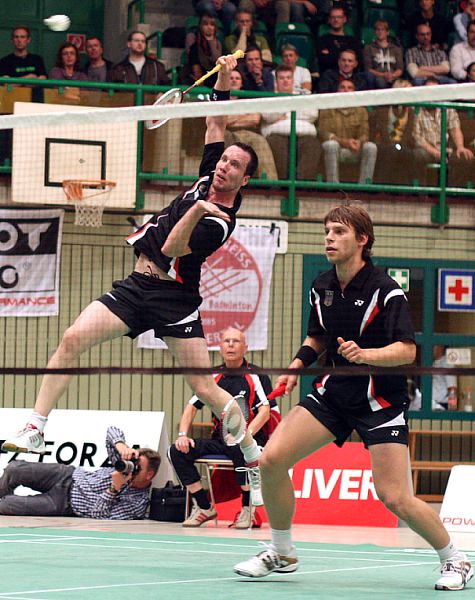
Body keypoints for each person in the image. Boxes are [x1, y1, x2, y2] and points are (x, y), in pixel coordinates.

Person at [2, 54, 264, 508]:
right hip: (136, 286)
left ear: (244, 180)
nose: (223, 165)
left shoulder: (220, 222)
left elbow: (174, 250)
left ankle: (249, 451)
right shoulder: (207, 176)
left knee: (204, 387)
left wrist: (200, 210)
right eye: (224, 160)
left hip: (174, 298)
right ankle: (36, 425)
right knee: (71, 338)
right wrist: (223, 75)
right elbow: (215, 121)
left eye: (234, 166)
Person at [233, 203, 474, 592]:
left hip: (380, 400)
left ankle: (456, 559)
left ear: (362, 239)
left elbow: (408, 351)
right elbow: (318, 337)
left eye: (339, 232)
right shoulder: (322, 285)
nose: (329, 237)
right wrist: (296, 366)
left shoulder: (385, 290)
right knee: (272, 459)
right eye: (327, 230)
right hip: (333, 394)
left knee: (393, 496)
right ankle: (282, 551)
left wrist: (367, 356)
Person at [169, 327, 274, 529]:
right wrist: (183, 435)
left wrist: (246, 436)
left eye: (236, 341)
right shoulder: (212, 378)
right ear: (220, 348)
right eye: (226, 341)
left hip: (248, 440)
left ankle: (247, 510)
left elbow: (265, 411)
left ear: (246, 348)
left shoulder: (256, 376)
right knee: (176, 451)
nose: (231, 345)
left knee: (239, 449)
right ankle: (204, 506)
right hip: (219, 440)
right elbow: (192, 406)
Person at [0, 426, 160, 519]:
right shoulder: (124, 464)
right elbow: (112, 430)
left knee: (6, 505)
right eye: (133, 462)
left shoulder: (138, 503)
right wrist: (122, 447)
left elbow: (98, 514)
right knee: (14, 469)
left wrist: (114, 488)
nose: (131, 467)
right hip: (67, 476)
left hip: (64, 504)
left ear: (149, 475)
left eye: (138, 467)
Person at [261, 64, 321, 180]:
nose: (285, 81)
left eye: (288, 78)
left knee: (314, 146)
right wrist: (295, 108)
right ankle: (283, 186)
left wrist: (283, 112)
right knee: (276, 145)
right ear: (276, 80)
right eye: (281, 78)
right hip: (276, 136)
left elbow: (313, 114)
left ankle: (300, 186)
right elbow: (267, 115)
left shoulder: (304, 95)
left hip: (305, 136)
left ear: (293, 80)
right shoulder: (269, 97)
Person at [413, 77, 474, 186]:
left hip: (445, 149)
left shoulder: (447, 108)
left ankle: (452, 194)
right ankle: (421, 193)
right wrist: (435, 152)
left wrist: (460, 146)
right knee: (418, 155)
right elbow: (417, 137)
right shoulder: (417, 110)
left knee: (465, 157)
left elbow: (455, 128)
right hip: (427, 149)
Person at [319, 79, 377, 184]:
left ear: (354, 92)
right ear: (337, 91)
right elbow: (324, 133)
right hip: (337, 149)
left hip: (355, 149)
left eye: (349, 88)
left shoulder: (361, 110)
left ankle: (364, 186)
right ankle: (333, 186)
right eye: (342, 87)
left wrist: (359, 142)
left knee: (370, 147)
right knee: (330, 145)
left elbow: (365, 133)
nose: (346, 90)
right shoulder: (327, 108)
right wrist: (344, 142)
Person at [226, 68, 278, 180]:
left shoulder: (247, 100)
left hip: (248, 132)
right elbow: (225, 122)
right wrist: (244, 116)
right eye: (231, 78)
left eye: (237, 78)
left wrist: (233, 118)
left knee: (260, 140)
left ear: (241, 83)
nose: (234, 80)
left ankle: (270, 182)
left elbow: (255, 119)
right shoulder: (220, 100)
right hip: (228, 133)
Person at [369, 79, 418, 185]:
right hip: (383, 142)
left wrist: (400, 145)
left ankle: (405, 189)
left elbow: (408, 132)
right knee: (390, 151)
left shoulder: (411, 111)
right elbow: (382, 130)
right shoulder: (383, 108)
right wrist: (392, 144)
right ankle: (381, 186)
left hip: (401, 144)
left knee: (409, 153)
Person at [315, 5, 363, 77]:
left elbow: (358, 62)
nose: (336, 20)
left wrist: (332, 54)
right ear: (329, 20)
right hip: (329, 76)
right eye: (333, 17)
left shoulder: (353, 40)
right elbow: (323, 62)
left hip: (352, 77)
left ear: (344, 19)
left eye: (339, 17)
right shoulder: (322, 40)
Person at [0, 26, 47, 93]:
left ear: (28, 40)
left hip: (34, 98)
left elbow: (43, 80)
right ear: (12, 40)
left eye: (22, 37)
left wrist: (16, 82)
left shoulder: (37, 59)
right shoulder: (5, 61)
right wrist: (28, 78)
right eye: (16, 37)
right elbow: (7, 85)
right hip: (13, 98)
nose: (19, 40)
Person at [182, 15, 222, 87]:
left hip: (211, 72)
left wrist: (211, 41)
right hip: (193, 68)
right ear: (201, 26)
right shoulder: (192, 37)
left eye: (212, 25)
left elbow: (216, 60)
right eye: (206, 24)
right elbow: (191, 54)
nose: (209, 27)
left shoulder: (217, 42)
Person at [363, 20, 404, 90]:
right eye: (378, 30)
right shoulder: (369, 48)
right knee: (380, 82)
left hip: (394, 77)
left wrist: (392, 75)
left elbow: (400, 69)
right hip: (377, 76)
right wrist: (383, 75)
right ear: (375, 32)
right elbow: (368, 69)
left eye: (383, 30)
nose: (380, 32)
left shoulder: (396, 49)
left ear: (387, 32)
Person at [432, 345, 458, 410]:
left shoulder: (446, 363)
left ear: (441, 347)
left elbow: (452, 388)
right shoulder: (434, 362)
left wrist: (452, 409)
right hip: (432, 404)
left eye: (434, 346)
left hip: (441, 405)